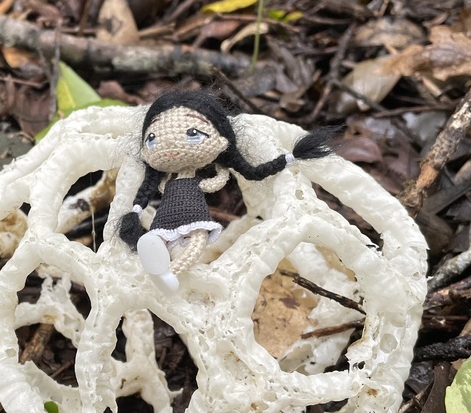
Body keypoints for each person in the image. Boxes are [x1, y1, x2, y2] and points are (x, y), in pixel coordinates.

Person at [118, 90, 336, 292]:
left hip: (190, 212)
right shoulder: (170, 181)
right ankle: (157, 260)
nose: (172, 149)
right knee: (167, 237)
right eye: (152, 139)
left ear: (222, 141)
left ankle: (169, 272)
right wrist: (136, 211)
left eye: (193, 133)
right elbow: (157, 189)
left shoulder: (179, 182)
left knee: (196, 239)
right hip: (167, 215)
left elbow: (246, 174)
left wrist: (287, 159)